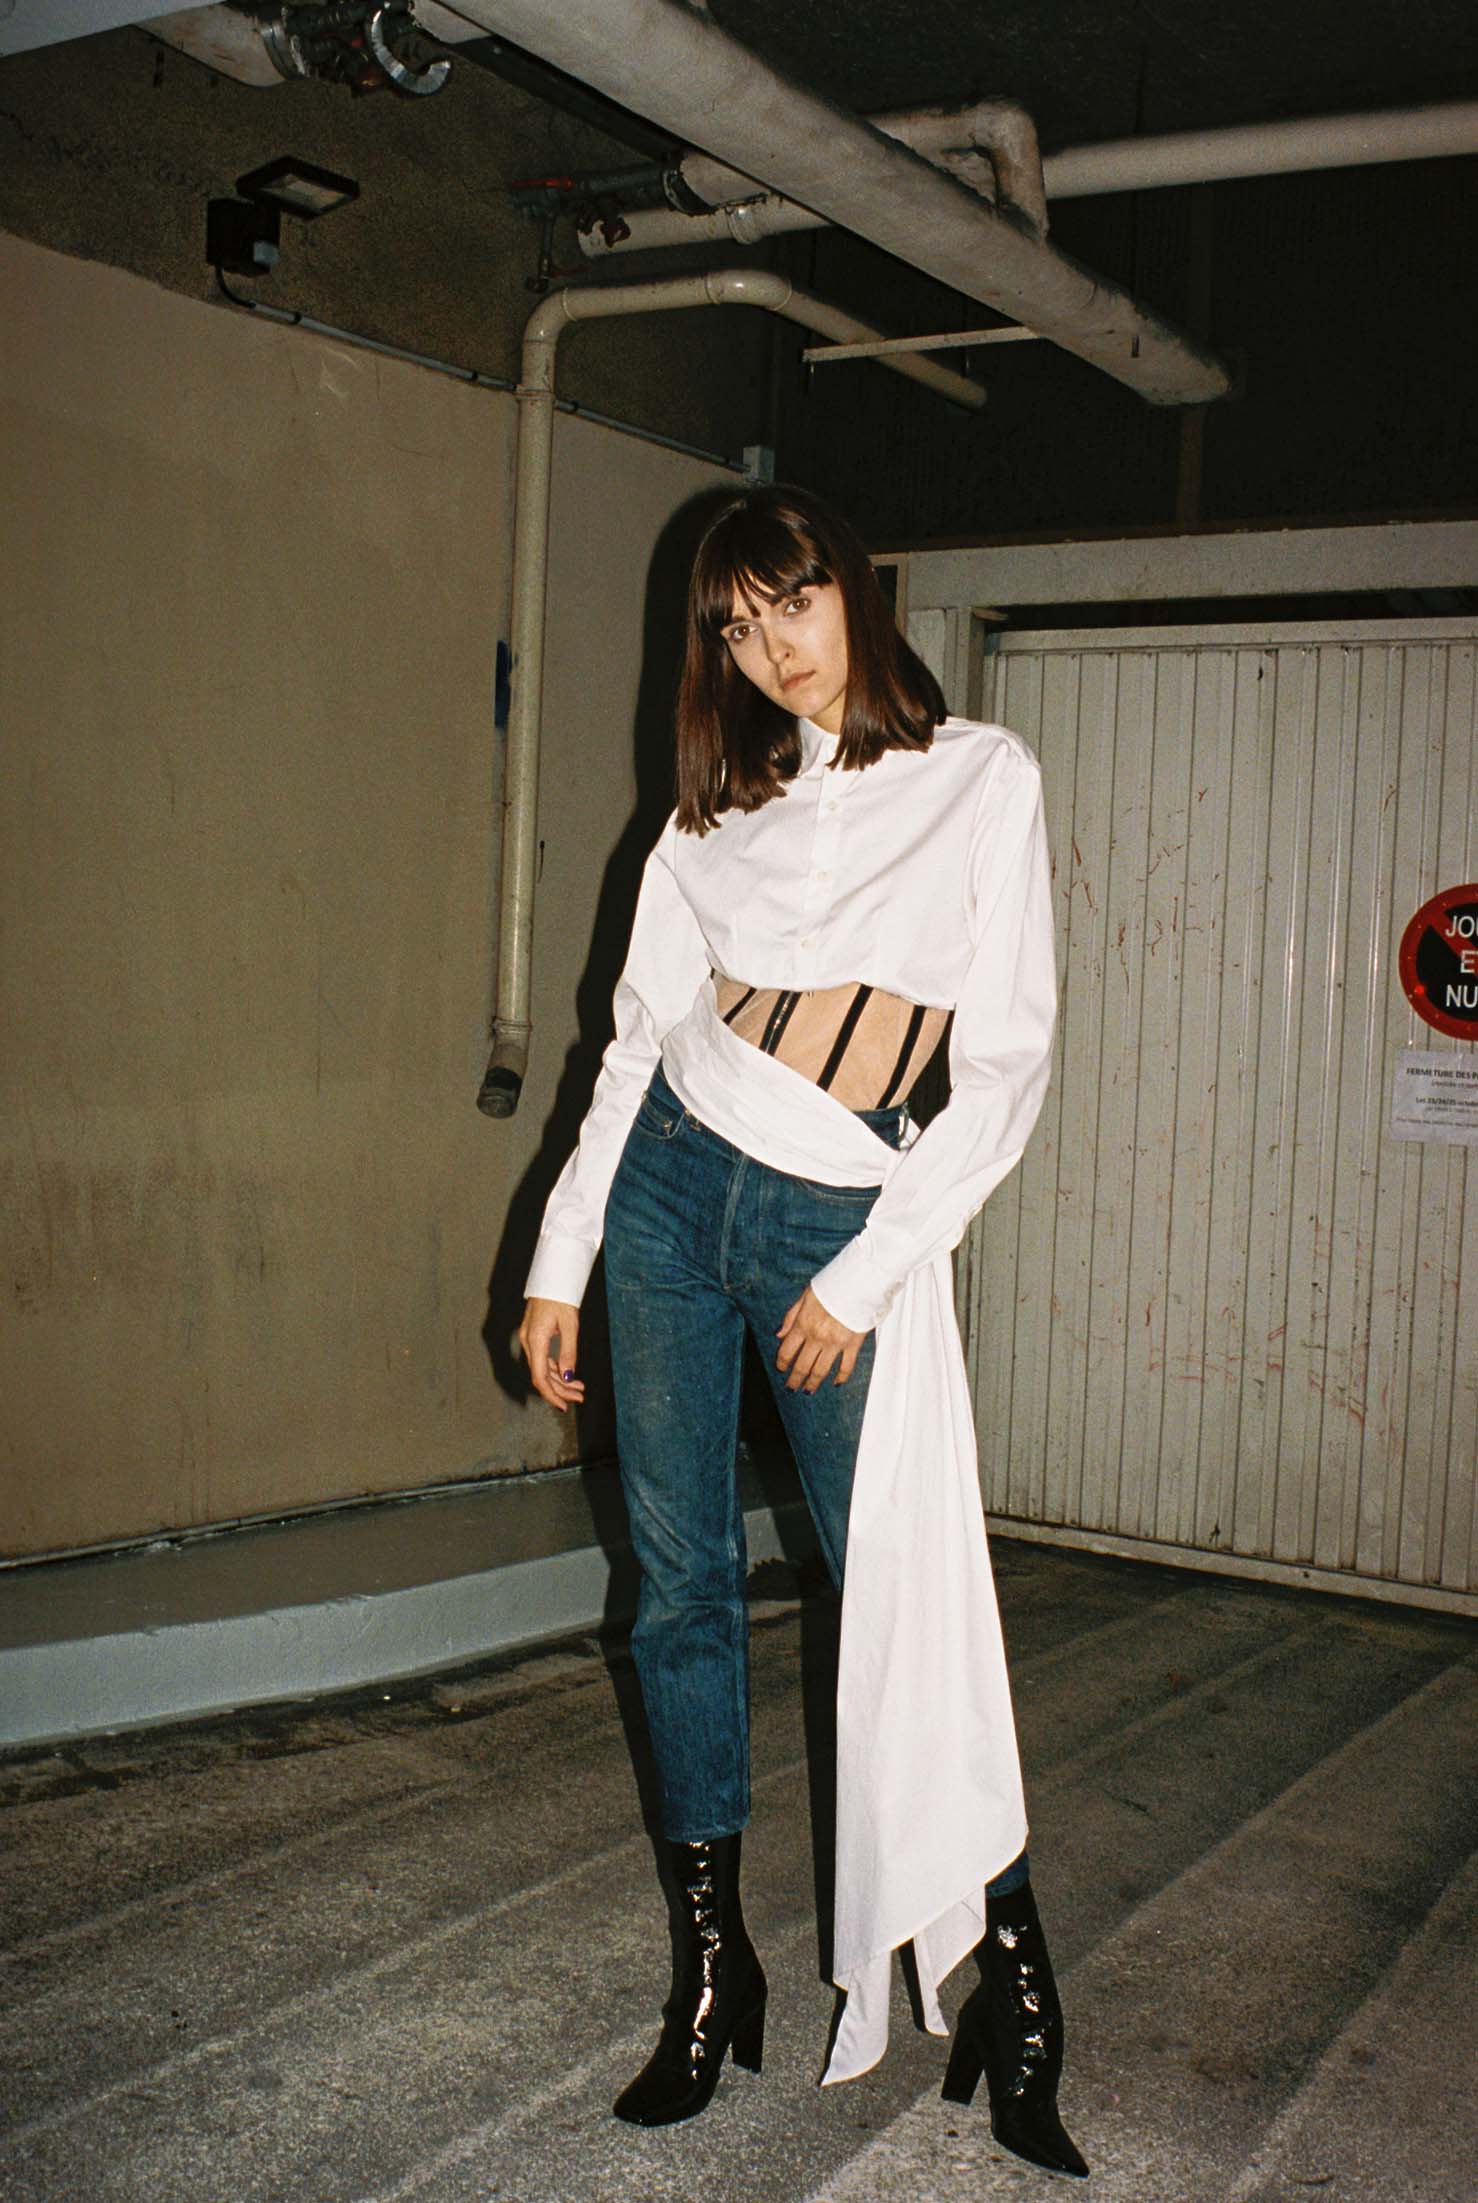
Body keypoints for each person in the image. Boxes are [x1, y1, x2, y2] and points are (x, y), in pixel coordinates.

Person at [518, 486, 1087, 2179]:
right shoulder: (712, 817)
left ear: (854, 588)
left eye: (793, 600)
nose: (772, 646)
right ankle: (714, 1974)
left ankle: (1012, 1981)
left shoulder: (980, 777)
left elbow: (1005, 1066)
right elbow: (633, 1044)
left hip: (837, 1225)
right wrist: (559, 1258)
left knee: (898, 1589)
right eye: (736, 626)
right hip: (666, 1200)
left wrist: (866, 1273)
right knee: (679, 1589)